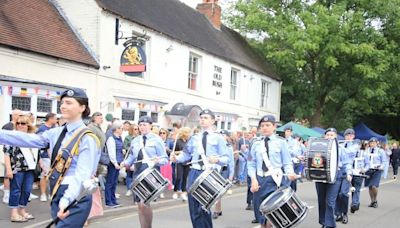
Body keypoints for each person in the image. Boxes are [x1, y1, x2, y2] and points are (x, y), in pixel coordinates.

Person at [0, 88, 101, 227]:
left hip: (74, 195)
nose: (63, 106)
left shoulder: (87, 138)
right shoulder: (56, 132)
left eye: (69, 103)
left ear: (82, 107)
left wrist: (66, 201)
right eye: (63, 102)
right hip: (57, 190)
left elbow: (82, 174)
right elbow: (27, 139)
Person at [171, 109, 229, 228]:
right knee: (193, 207)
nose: (202, 120)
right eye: (201, 117)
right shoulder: (194, 138)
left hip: (208, 173)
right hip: (194, 172)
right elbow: (186, 154)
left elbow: (226, 158)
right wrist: (177, 158)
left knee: (204, 206)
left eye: (206, 118)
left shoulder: (218, 138)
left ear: (212, 121)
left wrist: (217, 160)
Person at [248, 115, 296, 228]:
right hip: (260, 180)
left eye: (268, 125)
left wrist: (290, 173)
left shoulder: (281, 142)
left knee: (273, 215)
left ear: (274, 127)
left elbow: (287, 162)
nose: (265, 128)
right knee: (260, 214)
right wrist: (253, 180)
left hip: (275, 180)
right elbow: (251, 164)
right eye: (262, 126)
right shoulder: (255, 144)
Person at [123, 116, 168, 228]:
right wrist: (125, 163)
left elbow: (165, 159)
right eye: (141, 125)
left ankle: (148, 226)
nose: (142, 127)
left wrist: (158, 160)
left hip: (150, 173)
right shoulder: (135, 140)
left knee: (144, 203)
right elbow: (132, 156)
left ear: (150, 126)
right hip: (137, 173)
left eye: (145, 125)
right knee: (139, 205)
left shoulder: (157, 140)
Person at [315, 128, 352, 228]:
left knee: (330, 202)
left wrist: (349, 173)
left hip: (336, 176)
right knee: (321, 201)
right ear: (325, 136)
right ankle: (324, 222)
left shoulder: (341, 149)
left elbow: (347, 163)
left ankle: (330, 225)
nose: (329, 137)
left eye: (332, 135)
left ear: (335, 136)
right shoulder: (319, 148)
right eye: (328, 135)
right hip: (321, 176)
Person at [4, 115, 38, 222]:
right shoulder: (11, 136)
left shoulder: (32, 136)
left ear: (28, 125)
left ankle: (22, 210)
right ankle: (14, 213)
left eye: (23, 123)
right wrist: (8, 169)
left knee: (27, 191)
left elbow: (37, 152)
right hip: (17, 168)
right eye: (18, 123)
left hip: (30, 168)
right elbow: (6, 154)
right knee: (15, 190)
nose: (20, 125)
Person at [335, 128, 359, 224]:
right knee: (336, 193)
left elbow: (349, 153)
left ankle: (344, 213)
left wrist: (338, 146)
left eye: (351, 135)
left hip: (347, 171)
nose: (349, 137)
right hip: (338, 171)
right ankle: (338, 213)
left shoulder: (355, 145)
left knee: (343, 193)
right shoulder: (340, 144)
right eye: (347, 135)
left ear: (353, 136)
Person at [2, 109, 23, 204]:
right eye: (20, 115)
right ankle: (6, 193)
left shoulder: (20, 125)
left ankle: (17, 193)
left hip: (19, 155)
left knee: (18, 175)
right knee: (8, 174)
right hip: (9, 154)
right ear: (14, 115)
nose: (21, 116)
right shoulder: (7, 126)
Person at [212, 130, 235, 219]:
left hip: (223, 170)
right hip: (214, 169)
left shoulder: (229, 147)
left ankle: (217, 210)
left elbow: (231, 162)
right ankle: (218, 209)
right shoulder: (215, 146)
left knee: (219, 191)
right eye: (220, 135)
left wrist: (231, 176)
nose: (221, 136)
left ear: (228, 137)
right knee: (215, 190)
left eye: (224, 135)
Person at [36, 112, 58, 202]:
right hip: (45, 156)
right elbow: (39, 144)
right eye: (55, 118)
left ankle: (52, 193)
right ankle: (43, 194)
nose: (56, 120)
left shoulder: (55, 128)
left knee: (54, 175)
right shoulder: (42, 129)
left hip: (54, 156)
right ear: (51, 119)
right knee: (44, 175)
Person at [105, 121, 124, 208]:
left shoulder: (119, 138)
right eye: (121, 128)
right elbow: (111, 152)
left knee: (114, 182)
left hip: (118, 162)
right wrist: (115, 163)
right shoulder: (111, 139)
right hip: (113, 163)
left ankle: (113, 200)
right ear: (116, 129)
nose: (122, 130)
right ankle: (108, 201)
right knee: (110, 182)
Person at [364, 137, 386, 208]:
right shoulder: (366, 151)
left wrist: (381, 167)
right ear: (369, 144)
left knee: (374, 186)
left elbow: (384, 161)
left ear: (377, 143)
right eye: (371, 143)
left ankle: (375, 200)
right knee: (370, 187)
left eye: (374, 143)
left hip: (377, 170)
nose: (372, 144)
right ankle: (372, 201)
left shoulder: (380, 151)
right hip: (368, 170)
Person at [172, 127, 192, 201]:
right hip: (179, 161)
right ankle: (176, 191)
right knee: (178, 177)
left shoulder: (189, 141)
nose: (189, 134)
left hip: (187, 162)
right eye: (188, 133)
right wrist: (180, 152)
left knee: (185, 178)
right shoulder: (178, 141)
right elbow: (173, 152)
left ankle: (184, 192)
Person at [350, 138, 369, 214]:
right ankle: (356, 203)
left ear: (360, 145)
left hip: (359, 174)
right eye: (354, 144)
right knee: (352, 189)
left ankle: (354, 204)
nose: (356, 146)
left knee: (357, 189)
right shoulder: (349, 153)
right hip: (350, 173)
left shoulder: (364, 153)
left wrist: (364, 169)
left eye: (357, 144)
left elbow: (367, 164)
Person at [124, 124, 139, 197]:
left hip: (137, 158)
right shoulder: (128, 138)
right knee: (129, 174)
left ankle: (135, 190)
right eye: (135, 129)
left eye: (137, 129)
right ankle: (129, 189)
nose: (137, 131)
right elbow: (125, 146)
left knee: (136, 175)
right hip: (130, 157)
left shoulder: (140, 138)